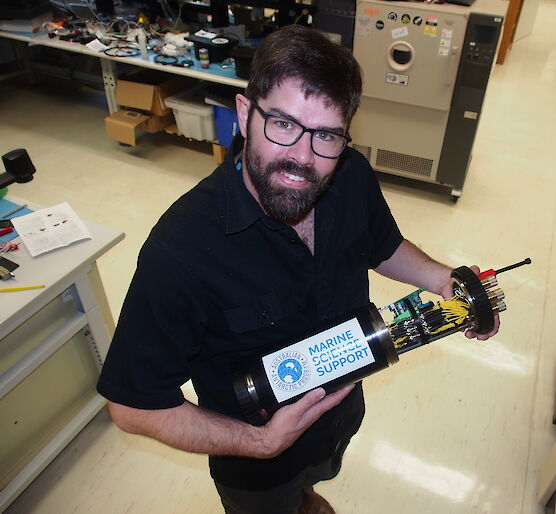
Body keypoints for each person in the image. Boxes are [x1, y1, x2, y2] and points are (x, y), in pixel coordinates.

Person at [97, 25, 498, 514]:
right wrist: (261, 442)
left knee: (314, 483)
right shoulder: (180, 252)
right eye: (283, 124)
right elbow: (133, 405)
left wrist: (442, 279)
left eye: (326, 134)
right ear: (245, 114)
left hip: (340, 414)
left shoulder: (349, 176)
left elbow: (383, 245)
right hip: (256, 463)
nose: (302, 159)